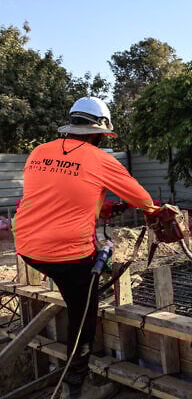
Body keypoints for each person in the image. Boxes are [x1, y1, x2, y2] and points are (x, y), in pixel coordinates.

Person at [14, 96, 158, 399]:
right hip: (67, 255)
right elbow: (143, 199)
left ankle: (86, 282)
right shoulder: (101, 159)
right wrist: (154, 211)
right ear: (98, 132)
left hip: (27, 247)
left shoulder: (39, 152)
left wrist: (100, 209)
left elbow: (55, 194)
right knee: (83, 317)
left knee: (78, 280)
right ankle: (75, 385)